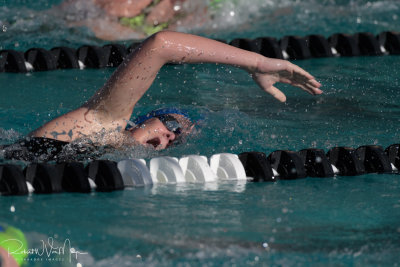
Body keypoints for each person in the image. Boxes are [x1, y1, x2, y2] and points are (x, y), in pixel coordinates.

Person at [3, 31, 322, 160]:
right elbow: (161, 45)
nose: (168, 138)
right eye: (168, 125)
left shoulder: (105, 157)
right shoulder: (99, 124)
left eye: (176, 139)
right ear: (138, 121)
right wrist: (257, 62)